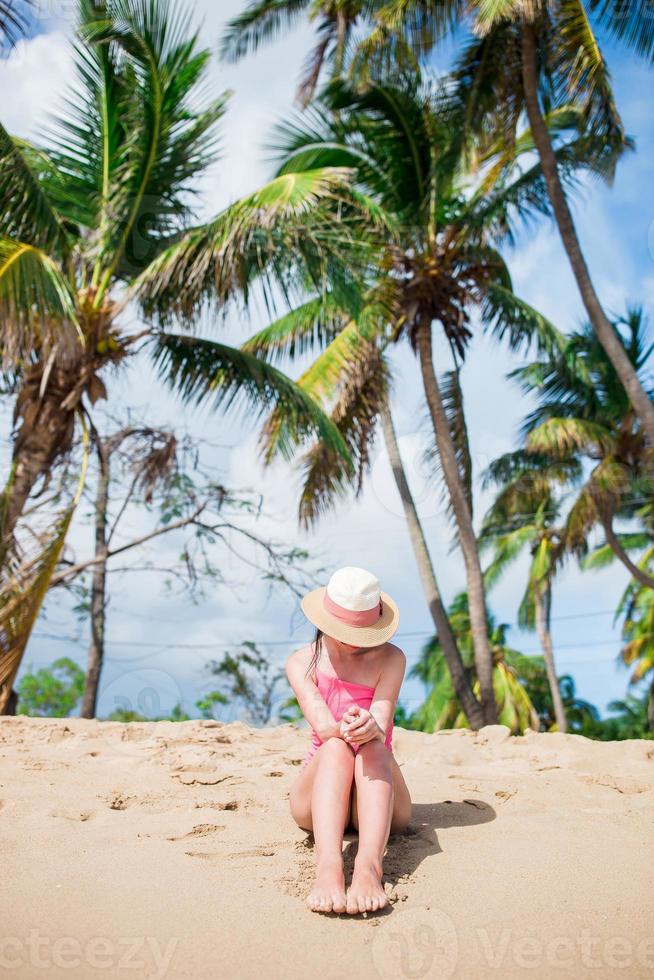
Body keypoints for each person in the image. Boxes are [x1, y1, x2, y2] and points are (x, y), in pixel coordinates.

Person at [285, 566, 412, 915]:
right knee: (337, 745)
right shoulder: (302, 663)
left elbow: (382, 721)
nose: (356, 640)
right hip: (320, 796)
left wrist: (369, 724)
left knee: (373, 745)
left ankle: (369, 866)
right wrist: (347, 727)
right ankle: (329, 866)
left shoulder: (392, 658)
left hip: (377, 797)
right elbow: (323, 726)